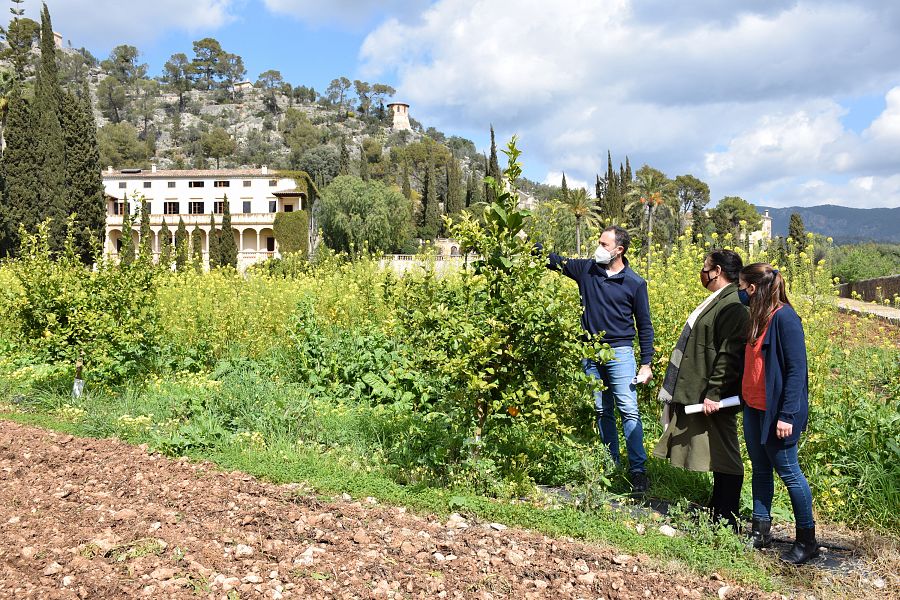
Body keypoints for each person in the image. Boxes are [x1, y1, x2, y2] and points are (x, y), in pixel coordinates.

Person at [543, 226, 654, 493]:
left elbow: (645, 325)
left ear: (619, 250)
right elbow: (554, 261)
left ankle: (637, 471)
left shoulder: (635, 283)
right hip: (590, 353)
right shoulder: (587, 270)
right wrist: (525, 242)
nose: (598, 248)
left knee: (628, 410)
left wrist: (646, 363)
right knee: (602, 410)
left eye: (604, 244)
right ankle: (610, 464)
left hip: (620, 353)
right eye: (598, 242)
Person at [653, 249, 748, 530]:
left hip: (717, 395)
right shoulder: (722, 299)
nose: (702, 271)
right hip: (705, 391)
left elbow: (729, 354)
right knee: (717, 452)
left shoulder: (733, 303)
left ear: (717, 271)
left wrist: (715, 392)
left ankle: (727, 519)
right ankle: (718, 511)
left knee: (726, 454)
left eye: (705, 267)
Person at [739, 263, 818, 565]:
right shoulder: (758, 318)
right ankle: (761, 530)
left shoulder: (785, 318)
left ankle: (807, 541)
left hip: (777, 413)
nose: (740, 292)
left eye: (742, 287)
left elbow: (797, 371)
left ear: (754, 289)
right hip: (754, 408)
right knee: (760, 469)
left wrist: (787, 414)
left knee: (790, 473)